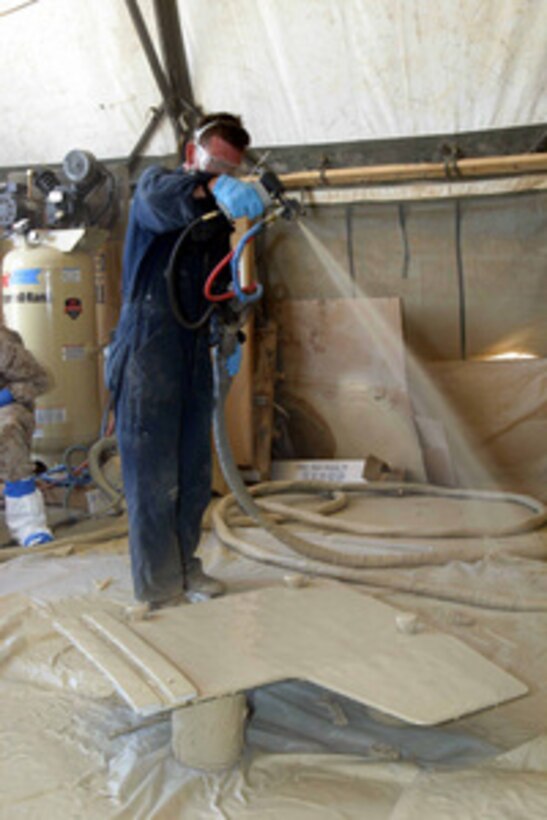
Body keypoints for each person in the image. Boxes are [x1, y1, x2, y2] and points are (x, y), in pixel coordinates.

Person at [106, 112, 267, 607]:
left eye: (230, 166)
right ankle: (157, 586)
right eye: (213, 160)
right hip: (148, 348)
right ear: (190, 151)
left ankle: (186, 568)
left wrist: (230, 322)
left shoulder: (216, 218)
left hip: (195, 346)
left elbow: (213, 282)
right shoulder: (157, 186)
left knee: (193, 473)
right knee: (154, 476)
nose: (219, 171)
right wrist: (214, 184)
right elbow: (160, 203)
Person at [0, 324, 54, 547]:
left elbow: (41, 380)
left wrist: (7, 395)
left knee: (8, 427)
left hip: (3, 411)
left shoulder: (3, 346)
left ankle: (28, 525)